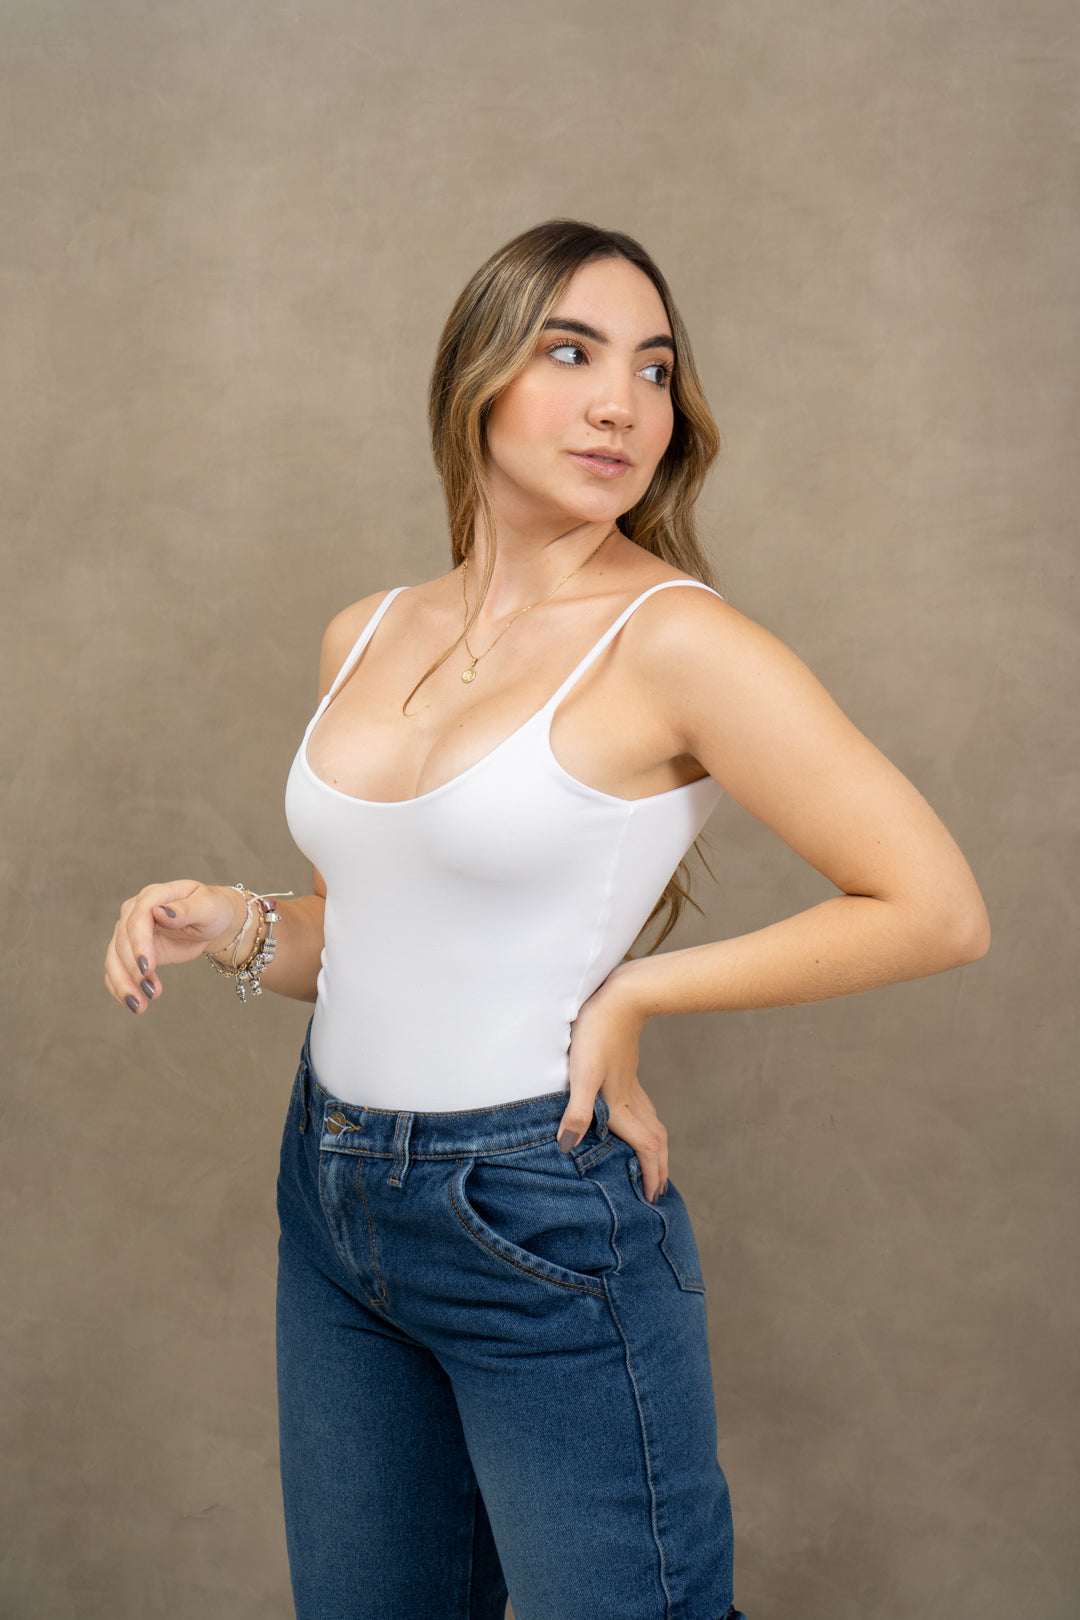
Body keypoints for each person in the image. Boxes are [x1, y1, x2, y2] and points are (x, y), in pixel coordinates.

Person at [103, 218, 990, 1620]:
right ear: (477, 376)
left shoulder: (678, 641)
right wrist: (234, 924)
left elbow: (936, 908)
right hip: (333, 1194)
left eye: (654, 367)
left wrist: (637, 994)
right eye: (571, 352)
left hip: (534, 1211)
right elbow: (371, 937)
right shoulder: (367, 629)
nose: (621, 403)